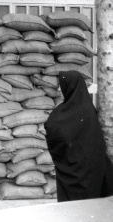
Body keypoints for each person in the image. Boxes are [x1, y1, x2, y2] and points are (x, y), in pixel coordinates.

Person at [44, 70, 113, 202]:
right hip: (91, 170)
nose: (59, 89)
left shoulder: (61, 113)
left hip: (72, 169)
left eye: (61, 85)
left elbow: (53, 130)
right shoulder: (89, 110)